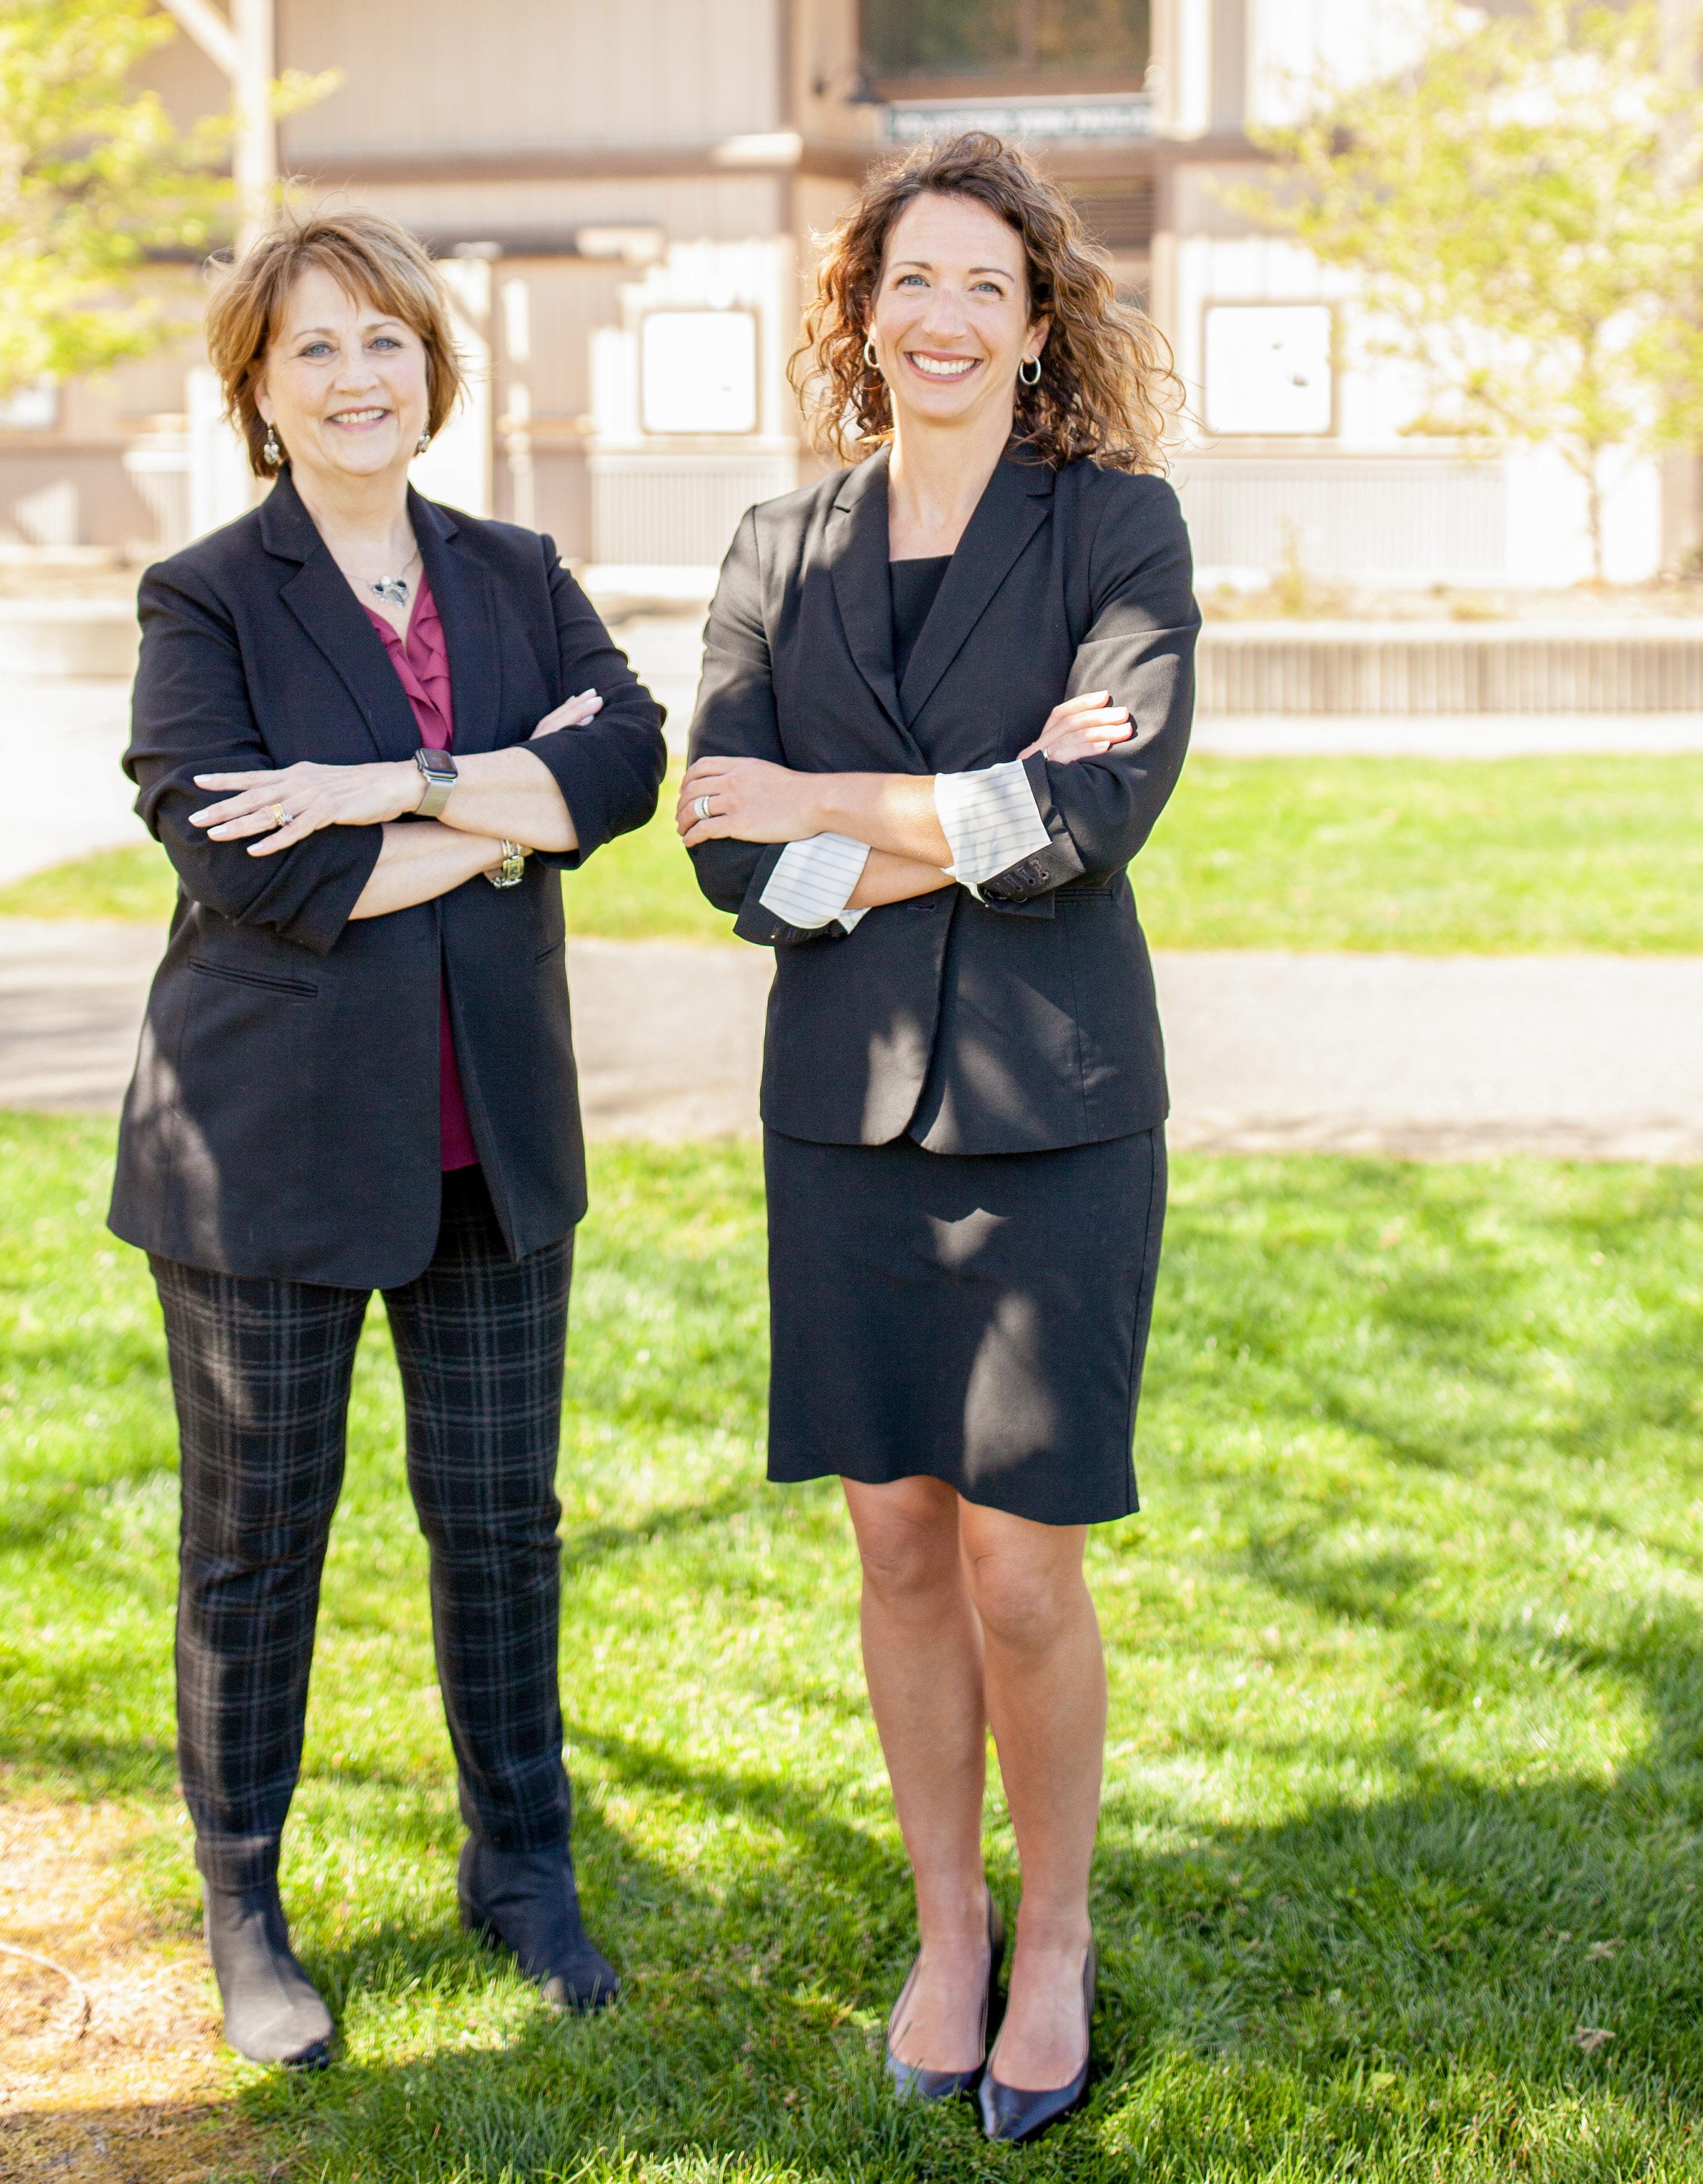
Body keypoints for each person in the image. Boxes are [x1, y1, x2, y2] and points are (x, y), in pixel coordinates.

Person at [676, 130, 1195, 2146]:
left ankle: (1053, 1941)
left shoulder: (1116, 531)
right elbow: (725, 858)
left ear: (1038, 320)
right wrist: (967, 809)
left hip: (1051, 1115)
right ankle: (949, 1932)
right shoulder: (775, 545)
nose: (946, 317)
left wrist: (822, 798)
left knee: (1021, 1571)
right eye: (912, 280)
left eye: (988, 283)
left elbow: (1089, 820)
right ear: (860, 310)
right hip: (841, 1114)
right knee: (894, 1539)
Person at [111, 210, 666, 2066]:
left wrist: (388, 793)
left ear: (435, 368)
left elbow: (626, 764)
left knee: (501, 1526)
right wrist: (508, 811)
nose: (358, 377)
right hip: (262, 1149)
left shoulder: (512, 571)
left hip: (488, 1139)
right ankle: (244, 1905)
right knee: (257, 1540)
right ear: (259, 392)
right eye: (315, 349)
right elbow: (246, 866)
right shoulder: (204, 598)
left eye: (387, 341)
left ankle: (523, 1867)